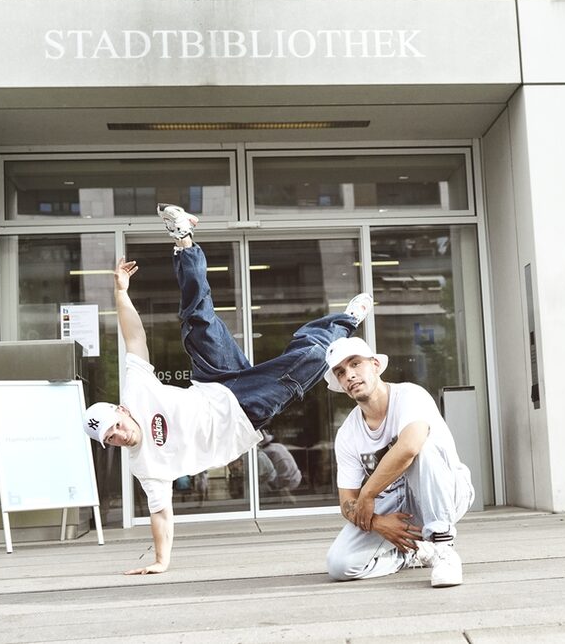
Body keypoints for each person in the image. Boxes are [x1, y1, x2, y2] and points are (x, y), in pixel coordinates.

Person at [82, 203, 372, 575]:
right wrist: (160, 560)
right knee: (314, 356)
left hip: (211, 381)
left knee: (196, 318)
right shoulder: (145, 466)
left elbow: (134, 336)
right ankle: (346, 321)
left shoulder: (134, 392)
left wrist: (121, 292)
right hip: (244, 411)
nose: (120, 436)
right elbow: (161, 514)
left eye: (115, 426)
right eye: (112, 439)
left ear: (120, 412)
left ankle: (184, 239)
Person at [323, 337, 474, 588]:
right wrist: (378, 523)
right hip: (395, 507)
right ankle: (409, 553)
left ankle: (443, 547)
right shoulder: (348, 433)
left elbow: (409, 447)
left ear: (375, 365)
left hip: (445, 492)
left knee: (421, 448)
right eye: (340, 372)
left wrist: (368, 493)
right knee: (340, 565)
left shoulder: (411, 395)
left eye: (355, 364)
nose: (349, 375)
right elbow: (347, 501)